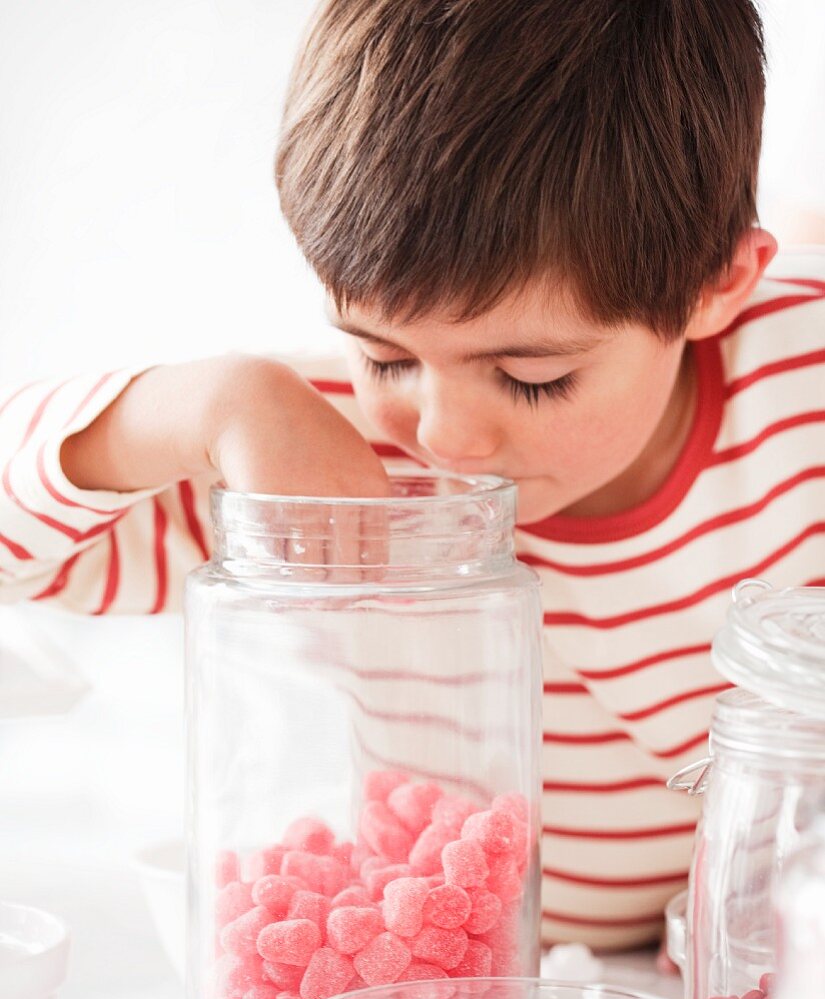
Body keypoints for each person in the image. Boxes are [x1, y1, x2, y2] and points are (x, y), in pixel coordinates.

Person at [1, 0, 823, 950]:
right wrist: (220, 403)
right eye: (384, 356)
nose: (442, 435)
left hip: (757, 963)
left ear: (715, 287)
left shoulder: (795, 375)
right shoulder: (324, 452)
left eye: (531, 377)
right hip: (468, 975)